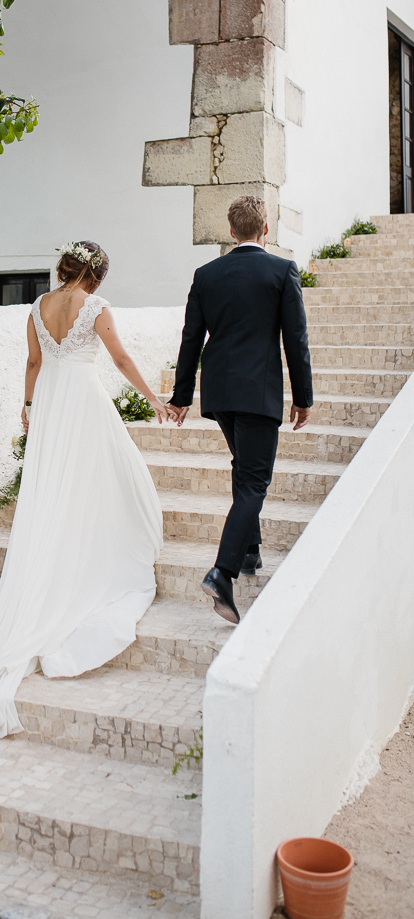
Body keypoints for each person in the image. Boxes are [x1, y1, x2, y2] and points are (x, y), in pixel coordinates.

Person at [0, 240, 173, 738]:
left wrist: (27, 405)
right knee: (100, 474)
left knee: (58, 482)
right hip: (83, 398)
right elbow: (121, 359)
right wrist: (154, 399)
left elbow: (33, 362)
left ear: (66, 266)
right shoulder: (96, 306)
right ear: (96, 274)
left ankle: (60, 553)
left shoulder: (37, 306)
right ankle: (91, 556)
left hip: (52, 401)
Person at [168, 195, 313, 626]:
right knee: (253, 481)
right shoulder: (281, 271)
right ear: (265, 229)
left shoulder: (206, 274)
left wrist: (181, 396)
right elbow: (295, 339)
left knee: (243, 467)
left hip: (219, 391)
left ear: (231, 231)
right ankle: (223, 572)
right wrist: (303, 397)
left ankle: (250, 551)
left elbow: (190, 337)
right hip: (257, 391)